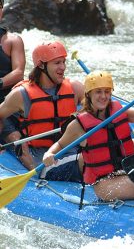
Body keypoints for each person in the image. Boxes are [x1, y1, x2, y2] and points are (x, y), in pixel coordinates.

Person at [42, 71, 134, 201]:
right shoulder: (78, 124)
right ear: (88, 94)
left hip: (123, 170)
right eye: (98, 92)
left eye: (107, 91)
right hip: (106, 184)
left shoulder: (119, 111)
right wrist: (49, 154)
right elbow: (60, 144)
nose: (103, 96)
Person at [0, 41, 85, 181]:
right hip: (45, 160)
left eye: (64, 62)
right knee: (91, 160)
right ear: (41, 65)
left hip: (71, 150)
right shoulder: (22, 94)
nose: (63, 67)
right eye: (57, 63)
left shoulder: (74, 88)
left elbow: (99, 109)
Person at [0, 0, 26, 141]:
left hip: (9, 99)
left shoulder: (13, 40)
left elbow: (19, 72)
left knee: (17, 136)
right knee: (14, 136)